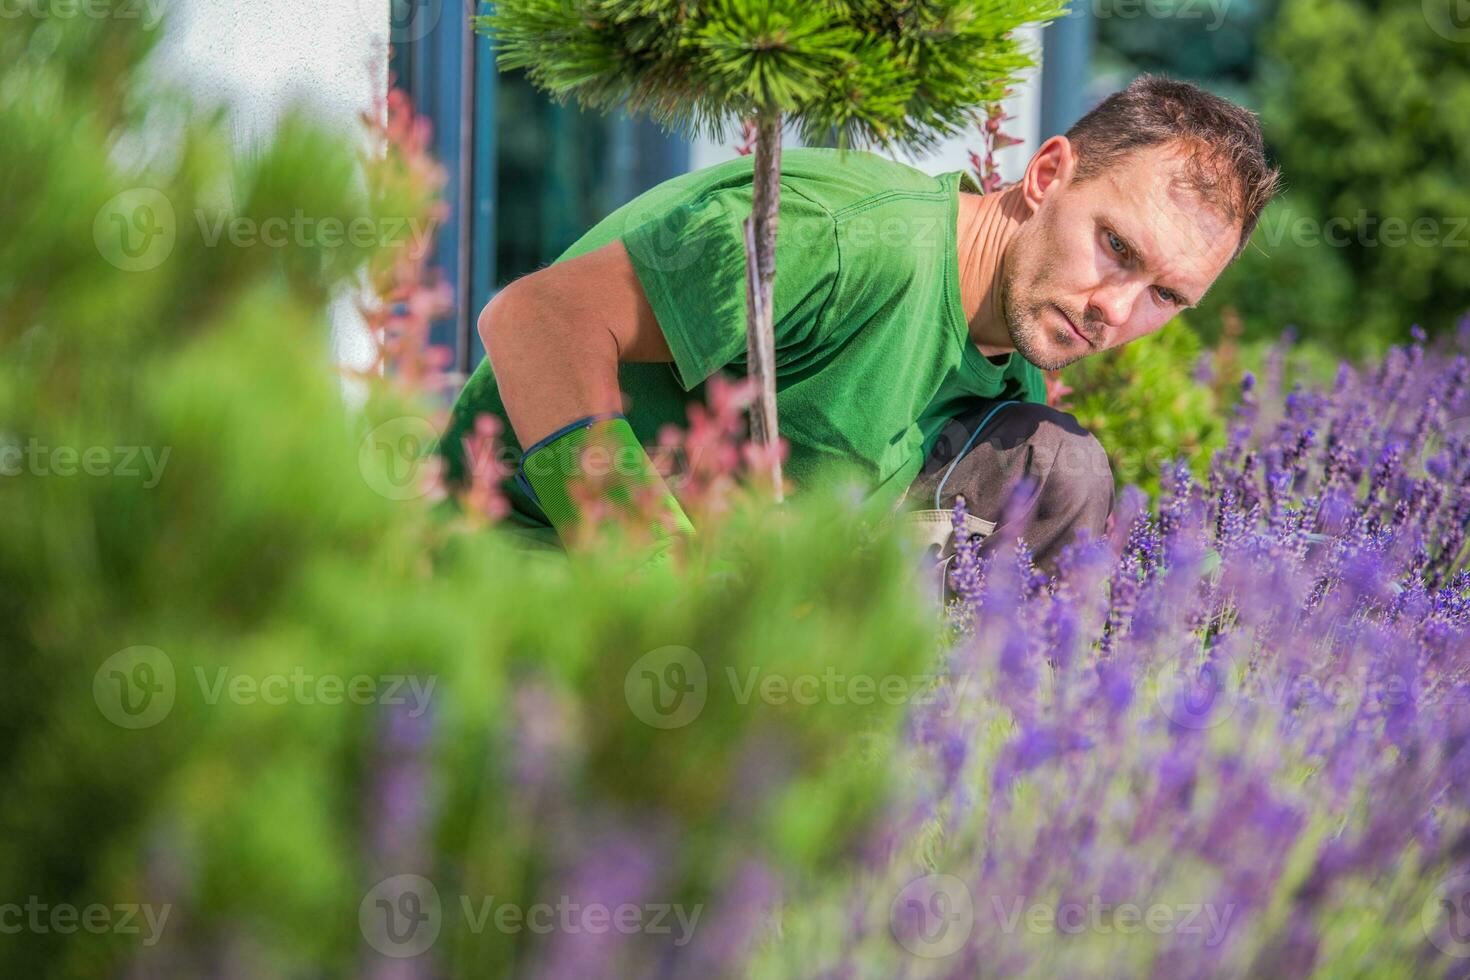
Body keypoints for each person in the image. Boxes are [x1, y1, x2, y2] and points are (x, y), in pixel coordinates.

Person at [437, 74, 1281, 571]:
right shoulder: (856, 242)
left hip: (714, 670)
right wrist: (656, 578)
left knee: (1055, 469)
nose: (1116, 312)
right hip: (522, 568)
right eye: (1115, 247)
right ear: (1047, 172)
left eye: (1167, 297)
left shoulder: (1008, 376)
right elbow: (535, 319)